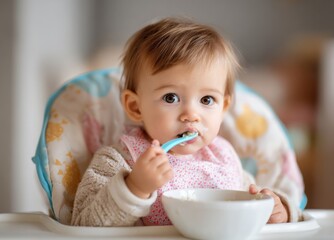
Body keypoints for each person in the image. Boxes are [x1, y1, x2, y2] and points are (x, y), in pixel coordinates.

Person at [71, 17, 301, 227]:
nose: (191, 114)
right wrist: (134, 188)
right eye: (171, 98)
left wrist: (278, 211)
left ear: (223, 108)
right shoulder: (120, 159)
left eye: (207, 99)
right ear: (135, 106)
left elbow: (253, 209)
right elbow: (85, 222)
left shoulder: (224, 159)